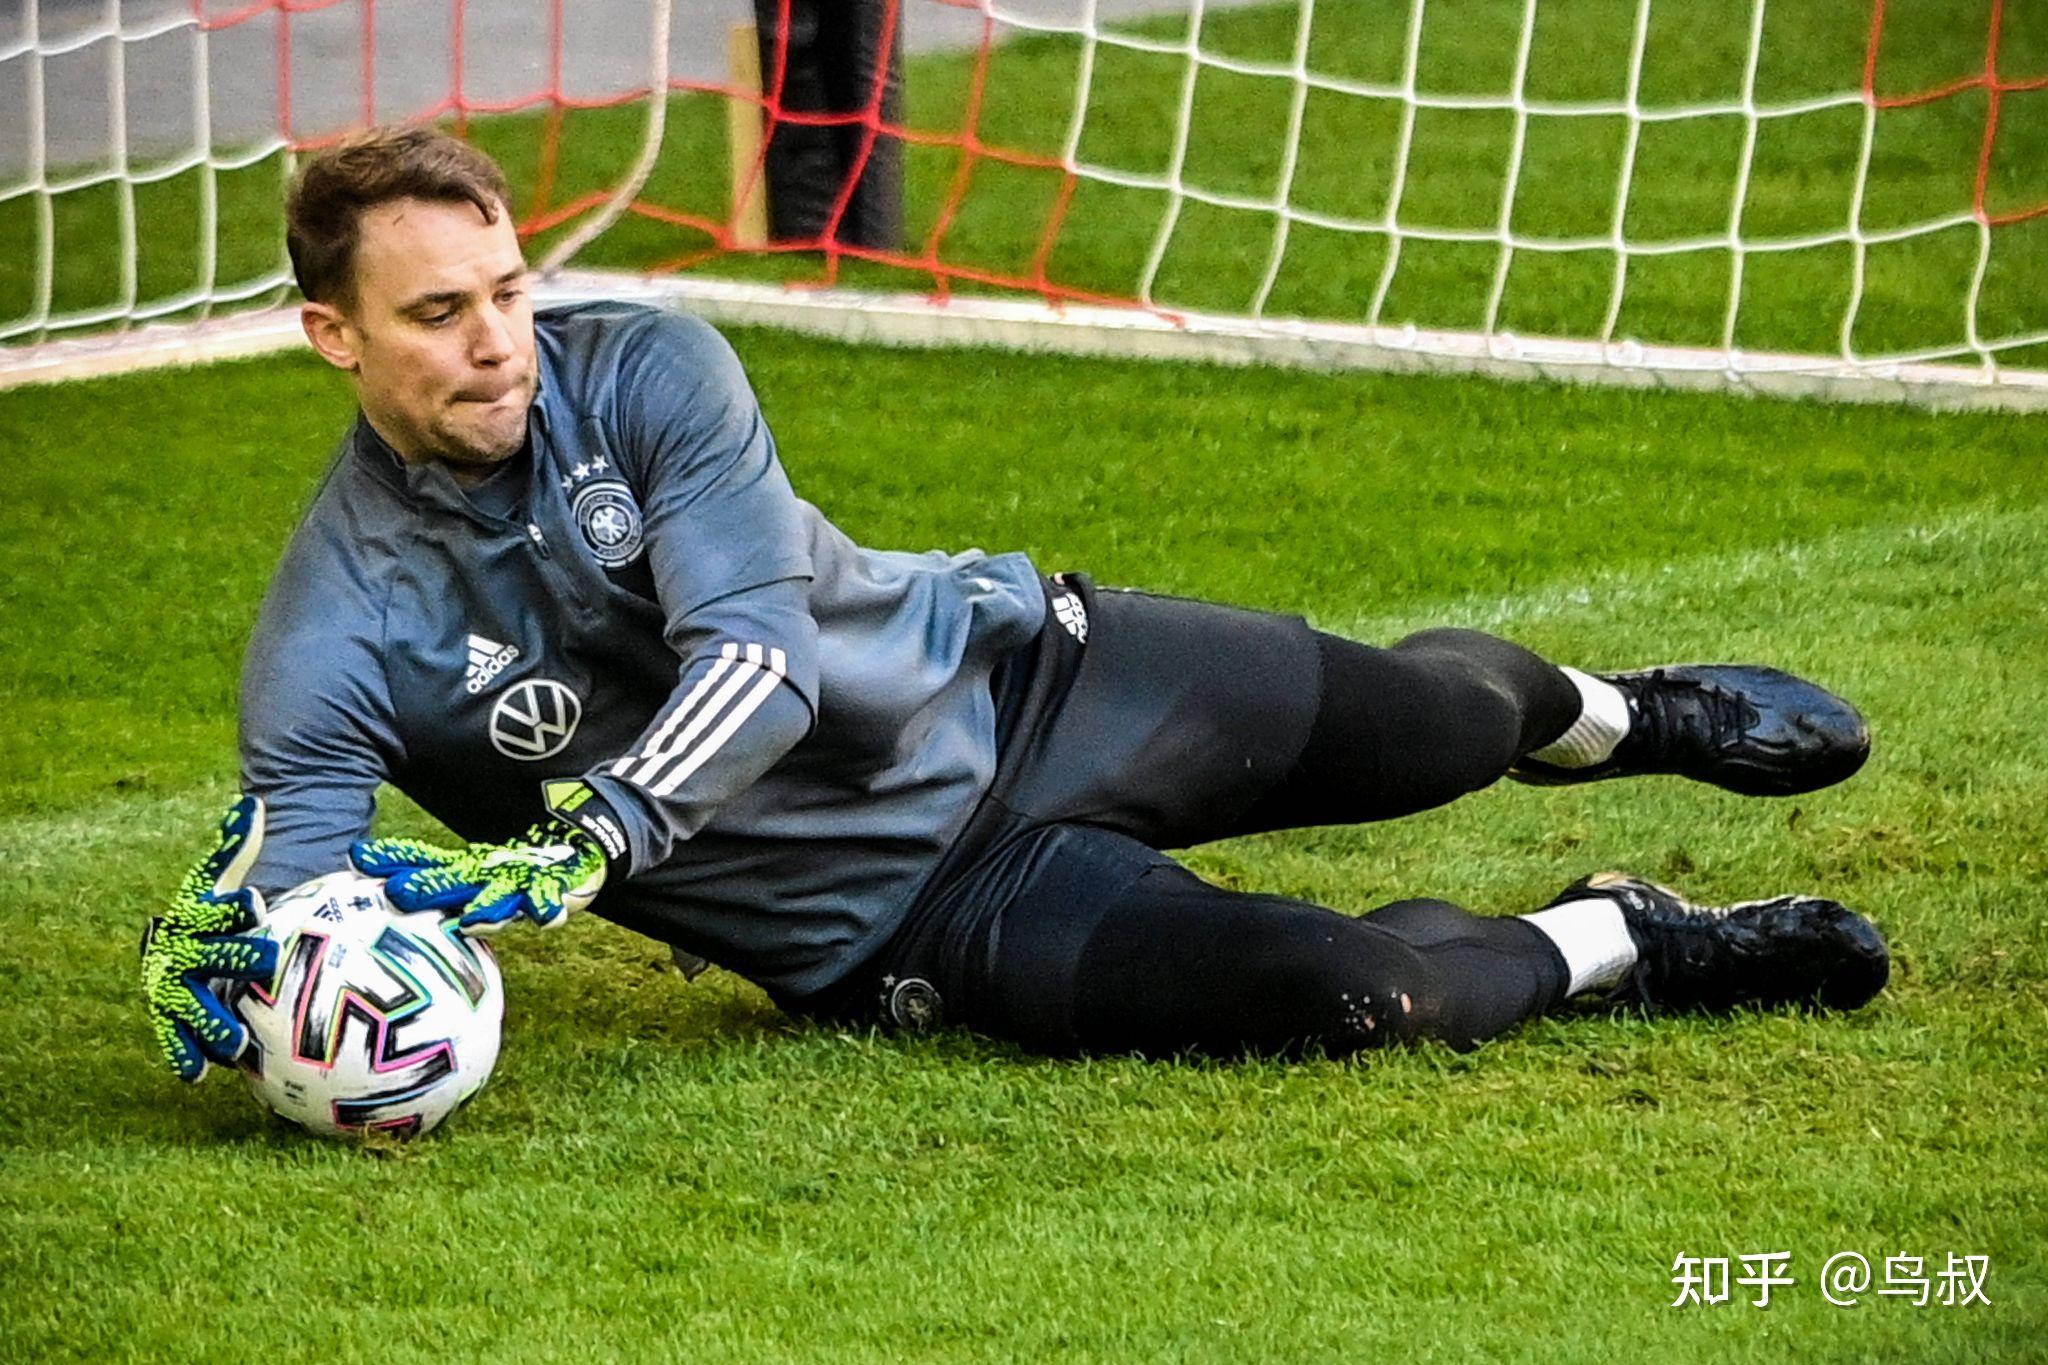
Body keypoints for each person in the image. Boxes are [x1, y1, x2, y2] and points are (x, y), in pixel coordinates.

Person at [140, 126, 1889, 1083]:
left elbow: (760, 662)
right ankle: (1632, 938)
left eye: (509, 290)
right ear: (331, 335)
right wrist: (258, 954)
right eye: (438, 312)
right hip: (919, 919)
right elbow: (300, 871)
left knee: (1439, 724)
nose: (497, 341)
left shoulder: (653, 370)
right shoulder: (330, 633)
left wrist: (597, 831)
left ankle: (1615, 715)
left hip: (1023, 680)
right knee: (1361, 993)